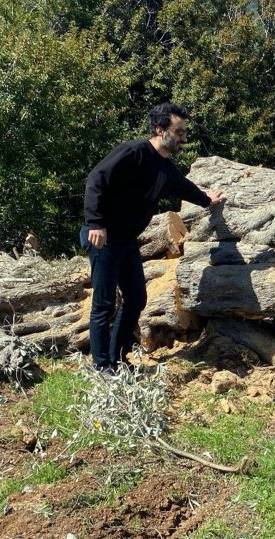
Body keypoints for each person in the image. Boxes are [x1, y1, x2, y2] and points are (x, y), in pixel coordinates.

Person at [81, 103, 223, 374]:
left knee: (136, 298)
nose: (183, 138)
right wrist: (96, 222)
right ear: (160, 130)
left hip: (127, 242)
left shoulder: (165, 168)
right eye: (178, 132)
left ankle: (118, 359)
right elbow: (96, 178)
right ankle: (101, 366)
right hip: (104, 238)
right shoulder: (133, 152)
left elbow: (184, 187)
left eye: (184, 132)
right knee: (105, 302)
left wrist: (207, 200)